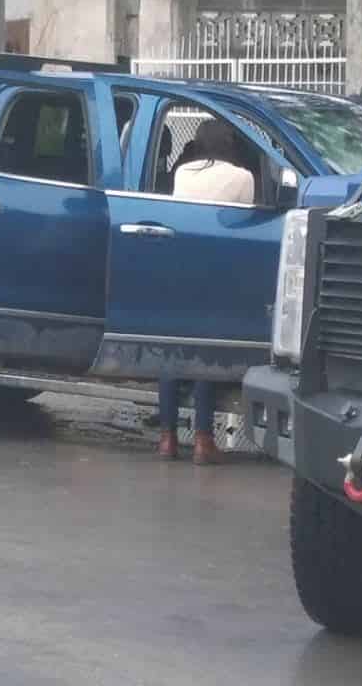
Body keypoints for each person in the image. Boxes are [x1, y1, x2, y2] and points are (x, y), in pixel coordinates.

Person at [158, 118, 256, 465]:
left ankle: (167, 438)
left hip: (179, 266)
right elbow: (245, 227)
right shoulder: (243, 177)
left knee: (172, 352)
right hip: (218, 270)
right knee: (204, 353)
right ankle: (202, 439)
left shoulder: (183, 172)